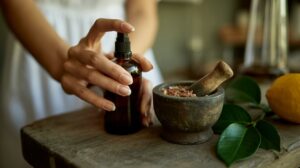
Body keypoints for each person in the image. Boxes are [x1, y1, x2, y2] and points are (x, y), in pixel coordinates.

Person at [0, 0, 163, 167]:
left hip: (129, 41)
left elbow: (142, 9)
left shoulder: (125, 62)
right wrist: (63, 63)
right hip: (41, 45)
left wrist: (119, 69)